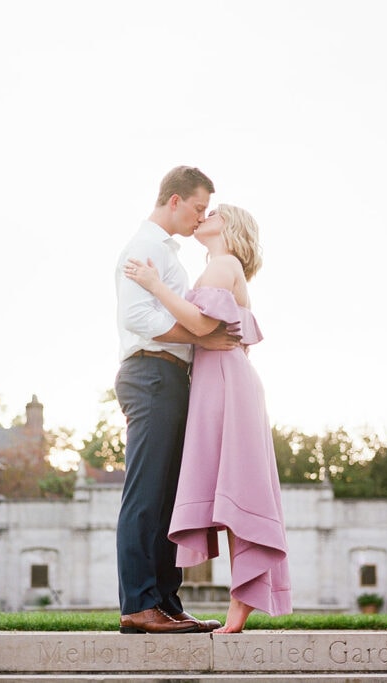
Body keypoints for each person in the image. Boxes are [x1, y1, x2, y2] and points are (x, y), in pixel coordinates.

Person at [123, 203, 292, 633]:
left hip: (226, 383)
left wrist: (155, 285)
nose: (205, 216)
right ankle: (235, 607)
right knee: (230, 489)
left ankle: (239, 607)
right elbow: (204, 329)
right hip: (217, 382)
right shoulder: (219, 267)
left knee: (237, 488)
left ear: (229, 226)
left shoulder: (224, 263)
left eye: (213, 211)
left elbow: (200, 325)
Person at [114, 166, 239, 634]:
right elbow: (138, 316)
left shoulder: (165, 254)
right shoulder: (144, 248)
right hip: (150, 374)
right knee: (146, 495)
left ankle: (165, 602)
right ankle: (138, 605)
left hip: (169, 377)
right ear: (174, 201)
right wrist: (203, 340)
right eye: (198, 208)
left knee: (169, 498)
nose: (200, 217)